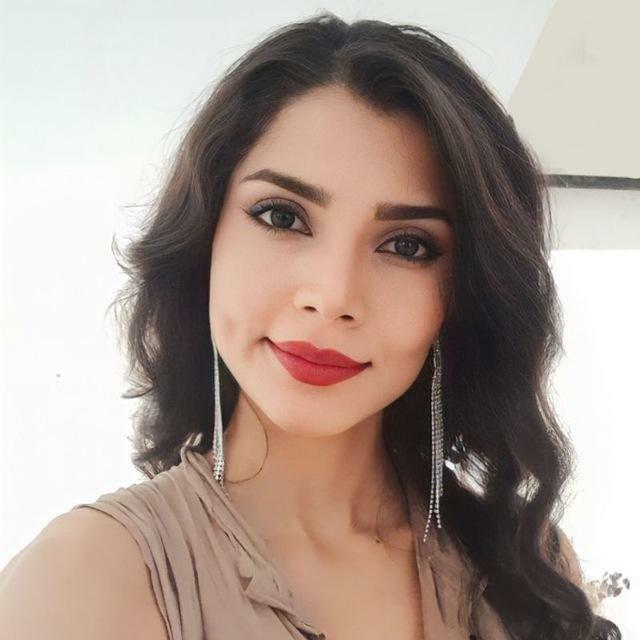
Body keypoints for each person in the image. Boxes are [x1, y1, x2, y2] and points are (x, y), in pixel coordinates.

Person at [0, 12, 621, 640]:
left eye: (407, 246)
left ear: (462, 294)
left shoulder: (527, 566)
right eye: (282, 216)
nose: (332, 297)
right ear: (204, 236)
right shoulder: (87, 581)